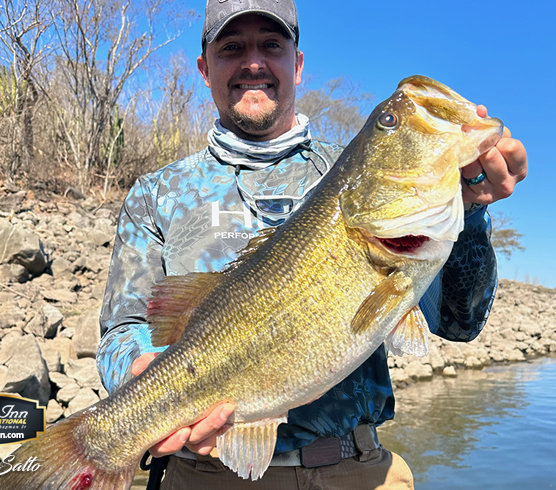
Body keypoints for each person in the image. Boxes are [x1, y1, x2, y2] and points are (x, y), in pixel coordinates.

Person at [97, 0, 527, 488]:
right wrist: (144, 385)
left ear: (297, 65)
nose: (253, 62)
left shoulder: (346, 170)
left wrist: (470, 210)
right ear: (204, 69)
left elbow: (457, 323)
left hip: (357, 471)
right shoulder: (157, 193)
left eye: (271, 45)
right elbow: (121, 330)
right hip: (203, 472)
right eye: (232, 47)